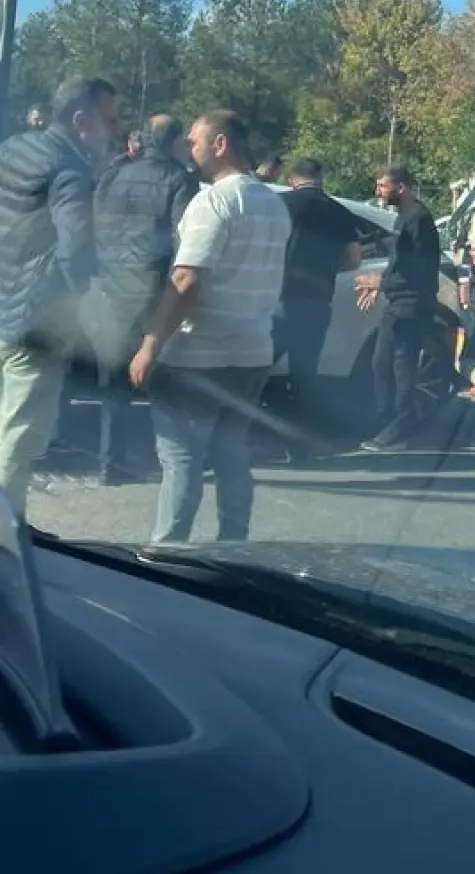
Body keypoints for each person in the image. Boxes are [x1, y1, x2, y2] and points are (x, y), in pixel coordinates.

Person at [128, 110, 291, 545]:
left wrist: (149, 345)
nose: (189, 150)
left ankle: (168, 552)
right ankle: (233, 546)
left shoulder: (212, 202)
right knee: (232, 454)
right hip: (252, 353)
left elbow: (186, 280)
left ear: (220, 145)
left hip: (197, 355)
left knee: (181, 457)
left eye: (196, 142)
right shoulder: (275, 205)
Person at [0, 77, 119, 513]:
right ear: (81, 120)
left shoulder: (13, 149)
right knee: (17, 441)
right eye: (110, 120)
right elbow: (75, 252)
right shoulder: (70, 170)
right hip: (34, 325)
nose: (116, 130)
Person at [91, 114, 197, 483]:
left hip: (110, 287)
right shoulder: (179, 178)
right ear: (175, 142)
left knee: (113, 383)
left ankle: (110, 462)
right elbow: (184, 239)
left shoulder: (113, 173)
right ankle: (166, 459)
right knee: (162, 377)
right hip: (153, 289)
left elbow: (95, 226)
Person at [277, 158, 362, 457]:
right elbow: (353, 259)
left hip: (277, 299)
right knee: (304, 375)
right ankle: (298, 447)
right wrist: (324, 270)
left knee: (253, 368)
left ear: (292, 180)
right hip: (316, 302)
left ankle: (240, 436)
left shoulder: (280, 204)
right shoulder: (338, 211)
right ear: (321, 177)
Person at [354, 165, 440, 451]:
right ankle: (389, 419)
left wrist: (380, 282)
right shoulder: (405, 217)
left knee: (401, 366)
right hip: (399, 301)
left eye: (382, 186)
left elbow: (417, 268)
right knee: (382, 362)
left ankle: (401, 426)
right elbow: (399, 263)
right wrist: (382, 285)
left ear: (401, 187)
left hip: (412, 304)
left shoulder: (418, 219)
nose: (378, 192)